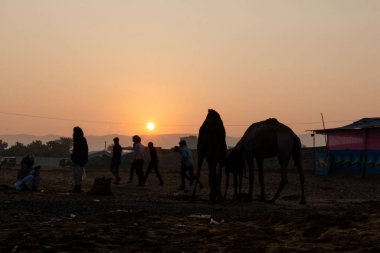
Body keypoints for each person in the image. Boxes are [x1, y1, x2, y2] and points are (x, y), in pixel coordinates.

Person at [70, 126, 88, 193]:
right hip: (78, 159)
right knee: (77, 174)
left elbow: (80, 150)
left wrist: (74, 156)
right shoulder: (80, 139)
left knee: (77, 174)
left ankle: (78, 188)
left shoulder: (80, 139)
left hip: (79, 160)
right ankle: (77, 187)